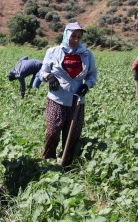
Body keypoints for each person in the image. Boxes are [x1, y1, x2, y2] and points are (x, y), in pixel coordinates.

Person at [39, 22, 97, 166]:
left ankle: (66, 164)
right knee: (52, 132)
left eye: (79, 37)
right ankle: (48, 162)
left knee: (72, 135)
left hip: (77, 100)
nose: (76, 40)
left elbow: (92, 74)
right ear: (66, 35)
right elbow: (42, 72)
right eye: (73, 36)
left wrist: (87, 85)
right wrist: (49, 77)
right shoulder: (53, 52)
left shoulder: (86, 54)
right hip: (57, 98)